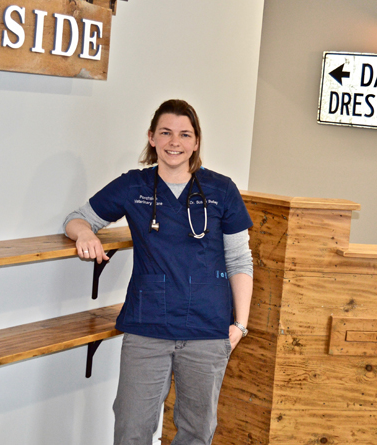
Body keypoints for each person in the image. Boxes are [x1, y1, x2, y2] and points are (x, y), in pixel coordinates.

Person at [63, 99, 253, 445]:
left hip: (207, 329)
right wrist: (86, 233)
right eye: (165, 133)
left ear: (196, 142)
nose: (174, 142)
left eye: (184, 134)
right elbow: (76, 219)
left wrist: (240, 324)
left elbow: (240, 260)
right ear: (151, 138)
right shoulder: (133, 186)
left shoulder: (221, 190)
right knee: (132, 426)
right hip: (148, 326)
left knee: (197, 430)